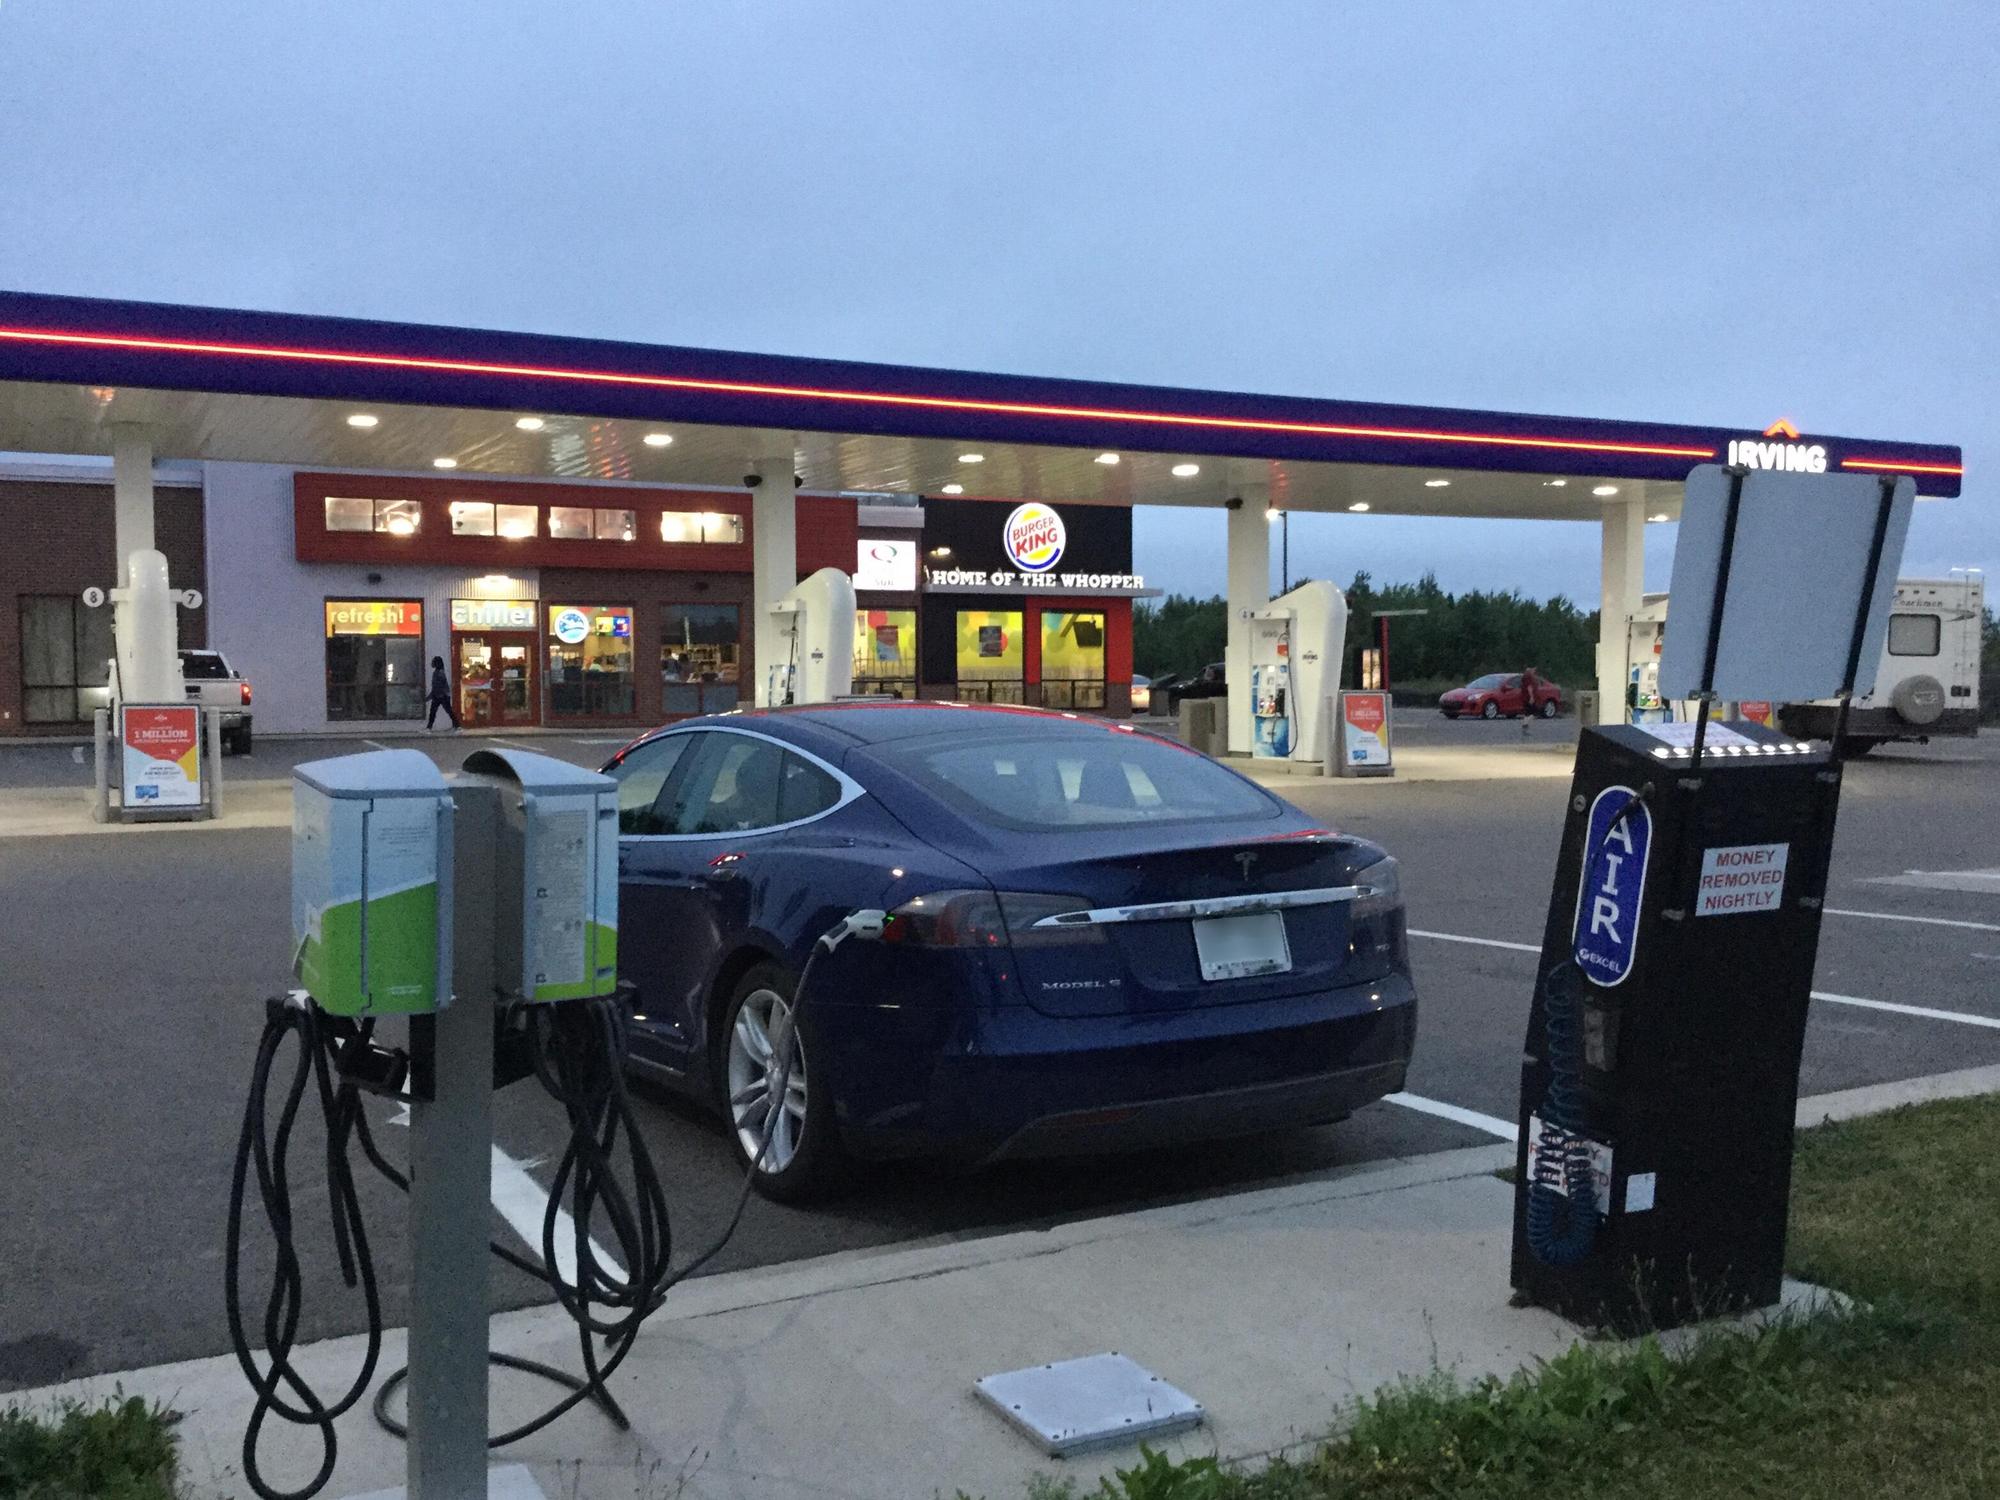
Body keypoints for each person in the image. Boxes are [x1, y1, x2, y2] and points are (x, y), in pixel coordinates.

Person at [426, 655, 459, 730]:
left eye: (433, 661)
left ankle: (457, 726)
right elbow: (437, 686)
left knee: (436, 712)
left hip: (441, 696)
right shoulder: (439, 672)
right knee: (439, 712)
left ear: (436, 663)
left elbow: (439, 685)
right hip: (440, 695)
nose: (432, 663)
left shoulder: (439, 672)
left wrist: (431, 696)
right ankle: (457, 725)